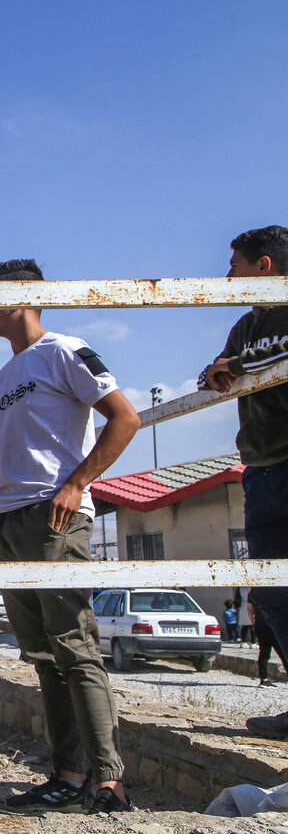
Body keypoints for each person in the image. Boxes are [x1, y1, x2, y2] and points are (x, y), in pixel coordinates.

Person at [0, 259, 141, 815]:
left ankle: (108, 780)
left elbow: (124, 418)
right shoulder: (2, 377)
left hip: (54, 517)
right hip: (7, 518)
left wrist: (76, 483)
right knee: (42, 654)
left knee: (75, 648)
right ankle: (67, 773)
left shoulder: (66, 350)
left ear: (22, 297)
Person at [198, 225, 288, 736]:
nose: (227, 274)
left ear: (264, 266)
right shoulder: (246, 325)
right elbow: (213, 373)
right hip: (262, 466)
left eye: (234, 264)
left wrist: (235, 366)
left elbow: (239, 366)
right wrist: (222, 369)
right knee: (273, 594)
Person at [250, 596, 286, 687]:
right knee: (283, 652)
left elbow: (249, 608)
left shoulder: (254, 593)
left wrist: (253, 622)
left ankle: (264, 679)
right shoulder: (274, 591)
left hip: (260, 624)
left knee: (264, 653)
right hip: (273, 625)